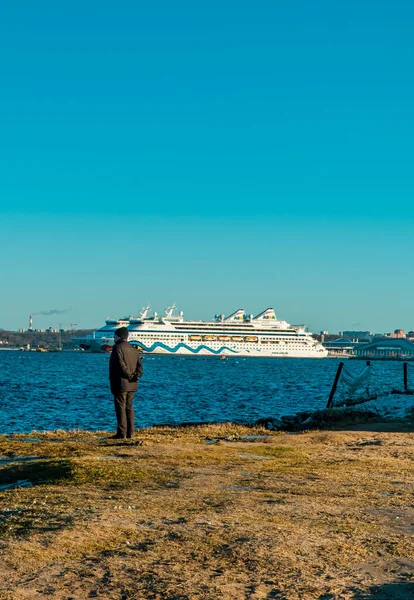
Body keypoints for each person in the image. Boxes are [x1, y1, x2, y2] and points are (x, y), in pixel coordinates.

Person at [109, 327, 143, 439]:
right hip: (132, 384)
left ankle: (121, 432)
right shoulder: (134, 349)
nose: (113, 338)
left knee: (120, 407)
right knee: (129, 407)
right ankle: (130, 432)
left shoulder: (117, 348)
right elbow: (140, 367)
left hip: (120, 382)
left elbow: (120, 365)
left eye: (114, 336)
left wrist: (128, 375)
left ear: (119, 336)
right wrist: (135, 377)